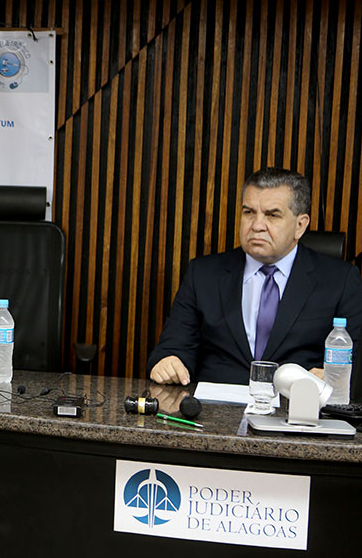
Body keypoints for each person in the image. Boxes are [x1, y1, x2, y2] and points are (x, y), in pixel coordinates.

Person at [148, 167, 362, 395]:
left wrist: (333, 376)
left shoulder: (340, 280)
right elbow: (172, 348)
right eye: (249, 212)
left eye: (272, 215)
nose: (257, 225)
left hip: (295, 414)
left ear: (300, 225)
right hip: (214, 414)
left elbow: (354, 367)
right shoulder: (203, 274)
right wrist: (167, 362)